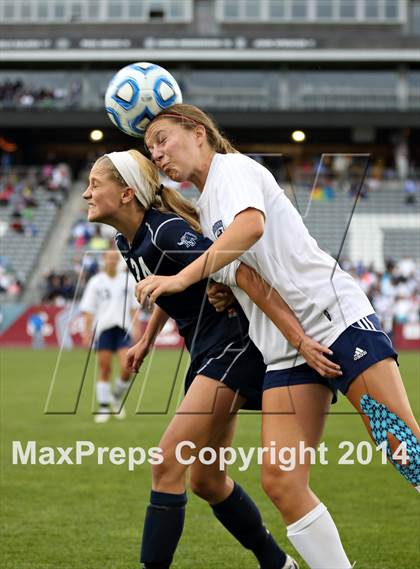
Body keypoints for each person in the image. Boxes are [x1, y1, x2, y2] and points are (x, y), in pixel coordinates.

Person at [138, 104, 420, 569]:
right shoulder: (208, 206)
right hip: (287, 349)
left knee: (405, 450)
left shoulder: (231, 169)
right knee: (282, 481)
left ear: (198, 132)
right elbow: (253, 278)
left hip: (335, 321)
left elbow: (252, 227)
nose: (158, 153)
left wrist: (183, 278)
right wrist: (223, 288)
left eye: (164, 139)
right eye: (150, 148)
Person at [82, 149, 343, 568]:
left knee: (166, 462)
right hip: (207, 352)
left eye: (95, 184)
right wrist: (147, 339)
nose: (85, 193)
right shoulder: (126, 240)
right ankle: (279, 564)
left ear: (127, 193)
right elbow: (170, 284)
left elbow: (240, 273)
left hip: (233, 347)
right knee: (206, 479)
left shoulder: (166, 230)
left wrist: (299, 338)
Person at [79, 249, 138, 423]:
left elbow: (134, 307)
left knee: (127, 367)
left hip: (123, 328)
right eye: (109, 258)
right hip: (104, 329)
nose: (112, 261)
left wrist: (137, 329)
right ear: (104, 260)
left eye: (115, 258)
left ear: (118, 261)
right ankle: (104, 408)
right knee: (104, 368)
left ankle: (117, 398)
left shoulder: (128, 280)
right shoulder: (96, 282)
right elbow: (88, 310)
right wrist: (87, 332)